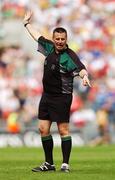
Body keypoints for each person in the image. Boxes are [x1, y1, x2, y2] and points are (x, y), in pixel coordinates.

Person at [23, 11, 91, 173]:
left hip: (62, 97)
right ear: (53, 39)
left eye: (62, 39)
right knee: (43, 129)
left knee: (63, 130)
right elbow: (36, 35)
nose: (60, 42)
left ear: (66, 40)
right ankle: (49, 163)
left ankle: (65, 164)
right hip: (46, 96)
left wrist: (85, 76)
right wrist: (26, 23)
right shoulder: (49, 48)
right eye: (57, 39)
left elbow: (81, 68)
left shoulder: (70, 56)